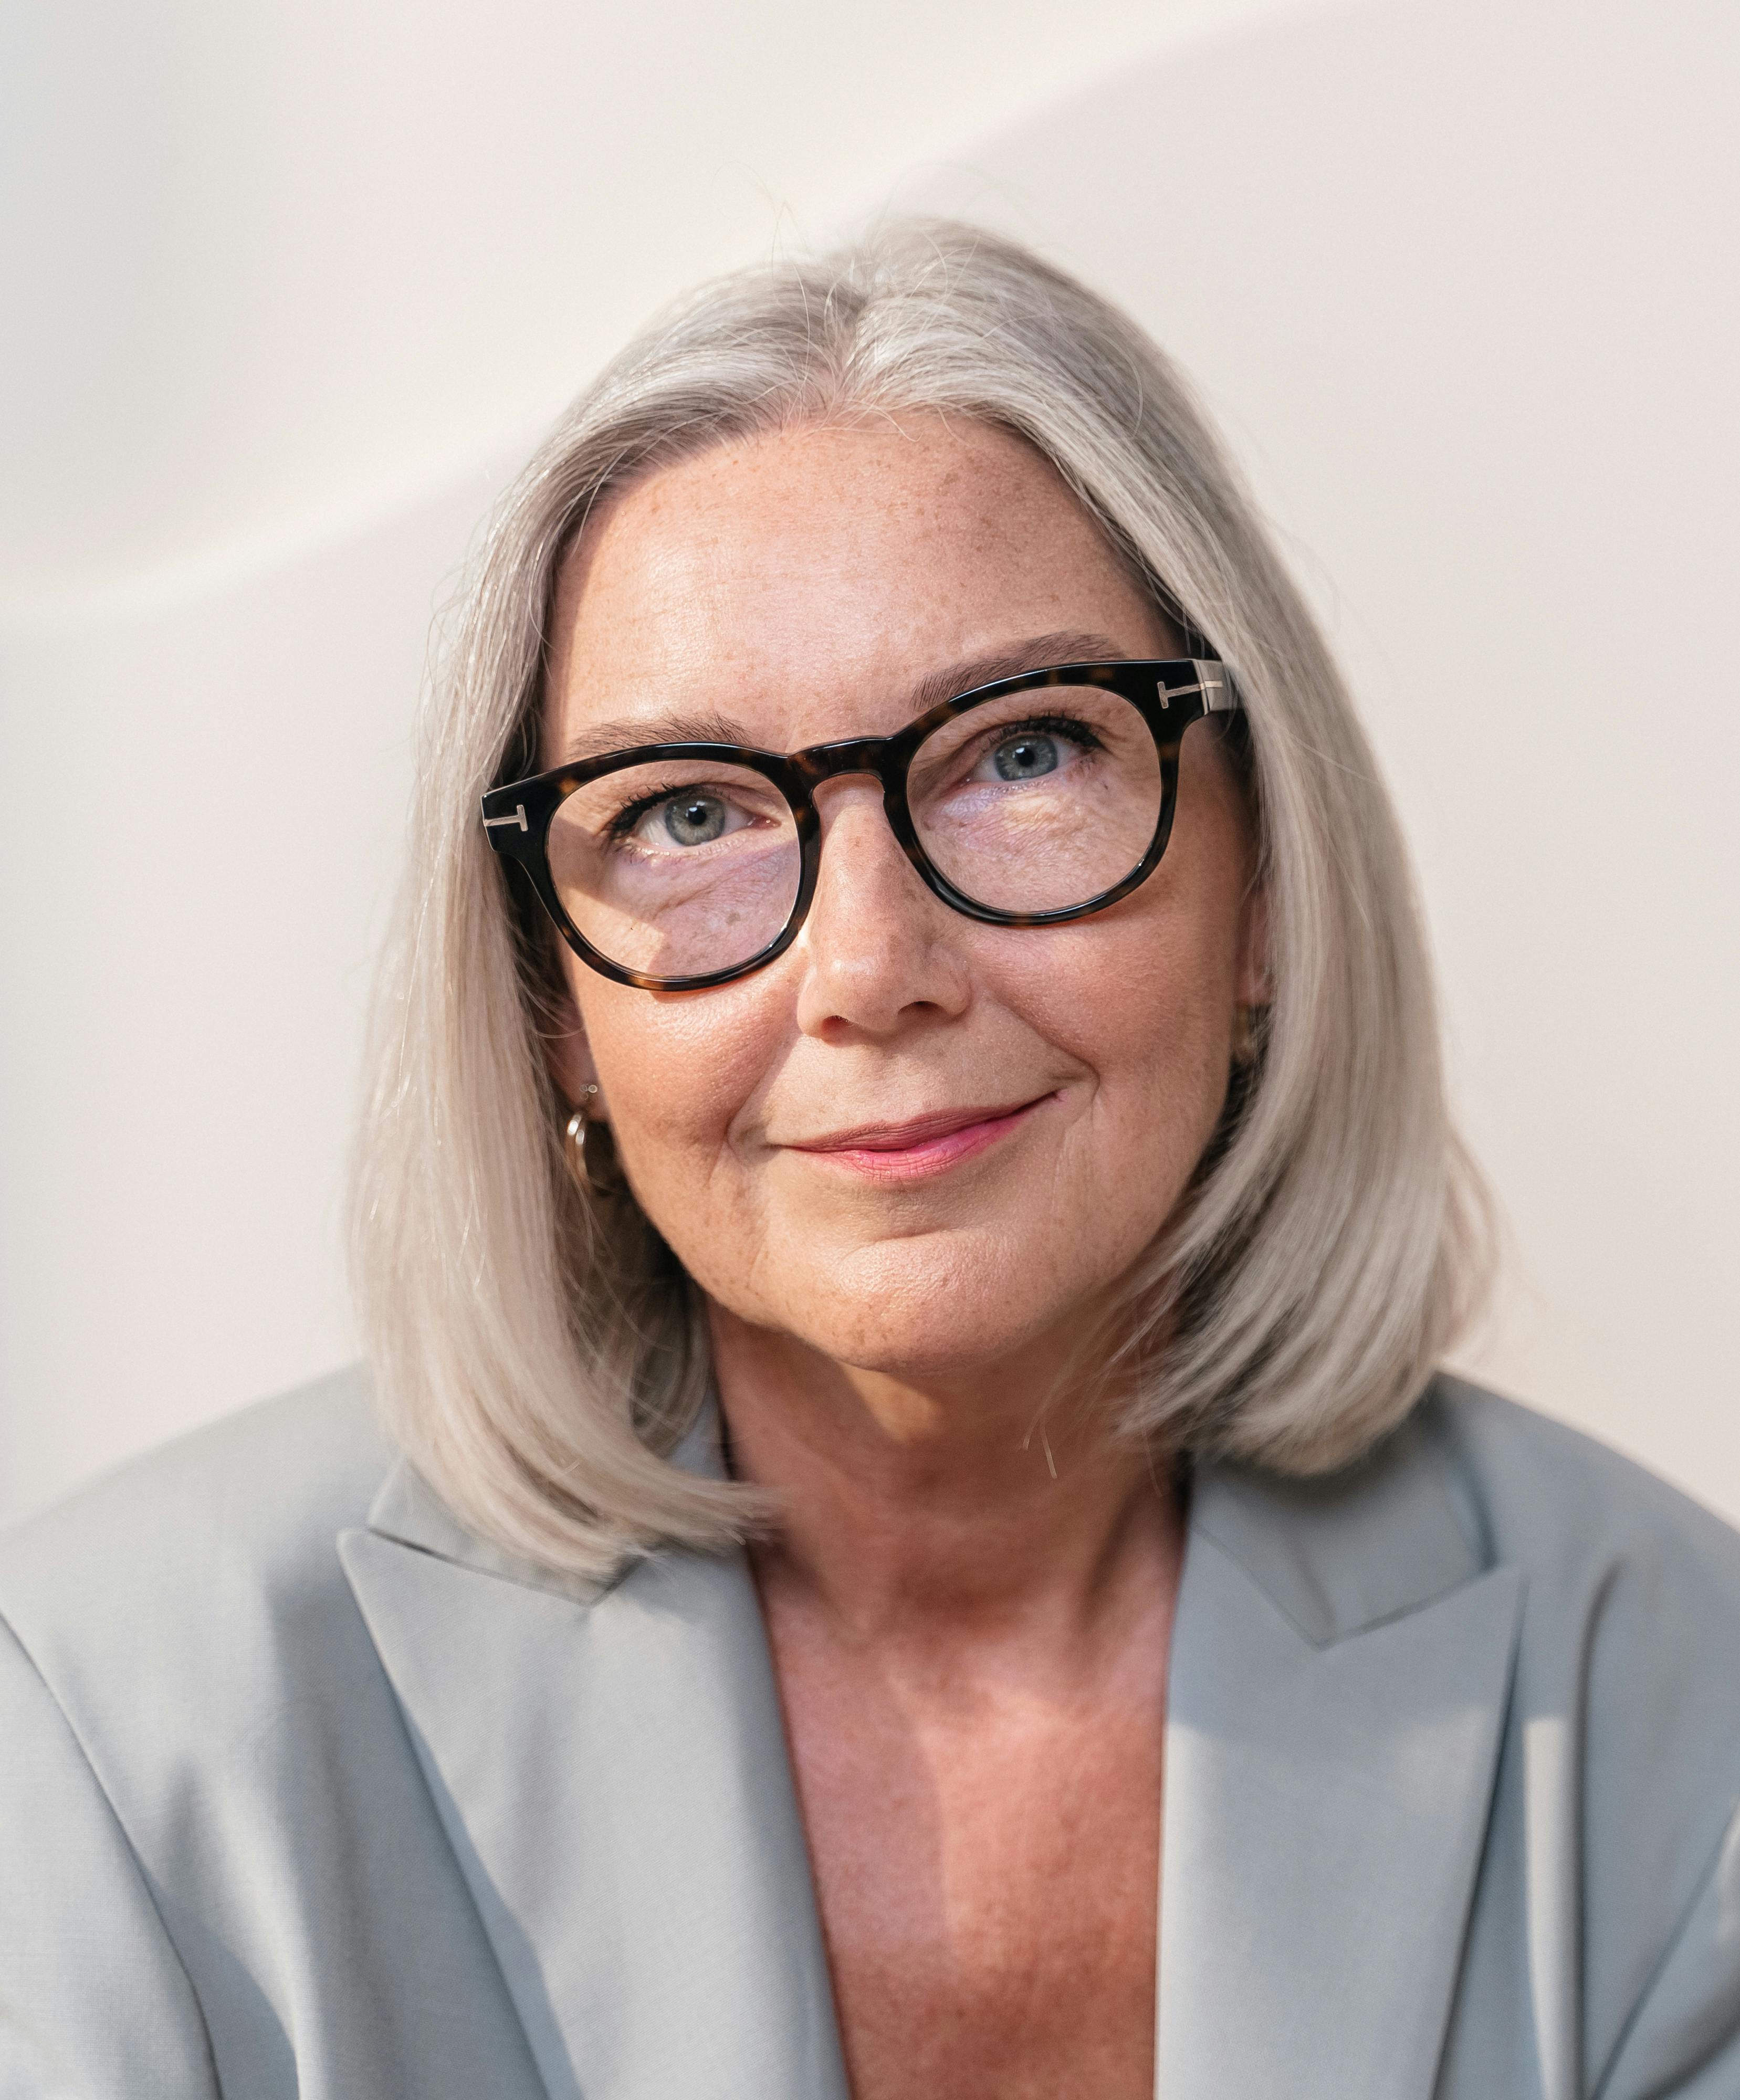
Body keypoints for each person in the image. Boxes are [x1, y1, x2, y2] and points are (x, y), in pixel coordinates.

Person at [2, 220, 1736, 2100]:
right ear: (553, 1007)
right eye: (685, 811)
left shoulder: (1675, 1712)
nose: (869, 971)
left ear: (1265, 898)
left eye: (1024, 755)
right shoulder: (106, 1725)